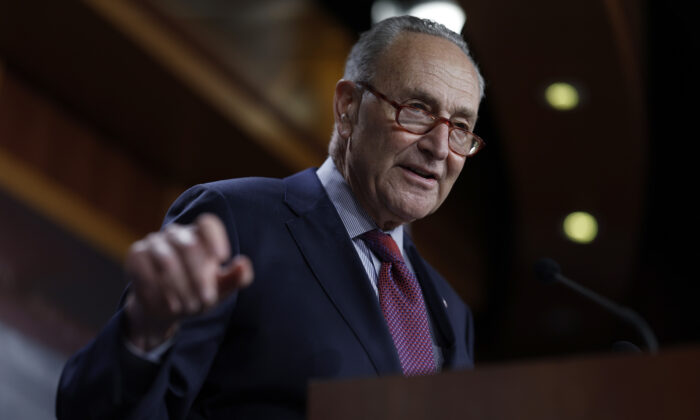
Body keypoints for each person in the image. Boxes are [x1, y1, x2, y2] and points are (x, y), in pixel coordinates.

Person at [56, 15, 486, 419]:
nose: (440, 146)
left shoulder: (454, 314)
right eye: (417, 110)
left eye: (461, 128)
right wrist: (144, 337)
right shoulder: (236, 222)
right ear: (348, 107)